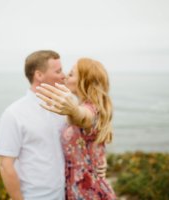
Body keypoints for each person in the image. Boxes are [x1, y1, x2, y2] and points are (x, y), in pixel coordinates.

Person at [0, 51, 107, 200]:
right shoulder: (14, 114)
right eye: (58, 71)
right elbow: (5, 165)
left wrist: (97, 160)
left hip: (66, 193)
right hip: (34, 196)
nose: (64, 75)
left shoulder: (65, 106)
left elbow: (86, 128)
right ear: (39, 75)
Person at [36, 58, 117, 199]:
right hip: (75, 188)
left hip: (89, 193)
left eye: (72, 74)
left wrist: (73, 110)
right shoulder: (87, 106)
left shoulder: (92, 110)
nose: (66, 76)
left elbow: (84, 117)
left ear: (85, 81)